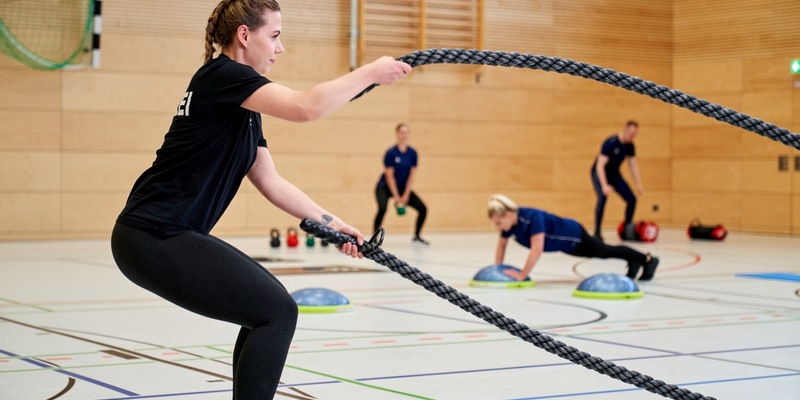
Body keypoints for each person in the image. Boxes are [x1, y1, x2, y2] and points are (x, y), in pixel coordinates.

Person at [109, 1, 411, 399]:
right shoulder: (224, 76)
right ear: (245, 36)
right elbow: (306, 108)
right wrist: (371, 72)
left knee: (265, 312)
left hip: (162, 234)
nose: (280, 48)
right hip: (154, 234)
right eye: (275, 36)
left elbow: (270, 181)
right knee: (277, 312)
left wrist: (331, 223)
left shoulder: (242, 103)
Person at [487, 194, 659, 282]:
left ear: (509, 214)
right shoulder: (511, 225)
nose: (498, 227)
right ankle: (634, 260)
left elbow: (537, 248)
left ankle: (647, 259)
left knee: (605, 251)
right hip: (566, 246)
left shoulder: (532, 217)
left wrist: (522, 275)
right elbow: (501, 246)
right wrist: (497, 269)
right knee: (605, 252)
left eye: (499, 222)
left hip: (574, 236)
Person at [373, 122, 429, 245]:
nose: (404, 135)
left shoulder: (412, 153)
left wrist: (405, 195)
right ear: (397, 134)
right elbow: (390, 177)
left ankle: (417, 236)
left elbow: (411, 176)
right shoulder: (391, 153)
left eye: (406, 132)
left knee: (423, 209)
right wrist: (397, 197)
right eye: (402, 132)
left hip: (403, 188)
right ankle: (374, 238)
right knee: (382, 208)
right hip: (385, 187)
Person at [591, 120, 644, 241]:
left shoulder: (630, 146)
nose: (632, 137)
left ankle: (627, 228)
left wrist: (638, 184)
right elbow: (600, 166)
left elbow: (633, 166)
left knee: (632, 199)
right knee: (602, 198)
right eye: (631, 134)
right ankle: (597, 232)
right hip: (600, 173)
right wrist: (604, 185)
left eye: (634, 135)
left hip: (615, 175)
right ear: (625, 130)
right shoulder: (611, 143)